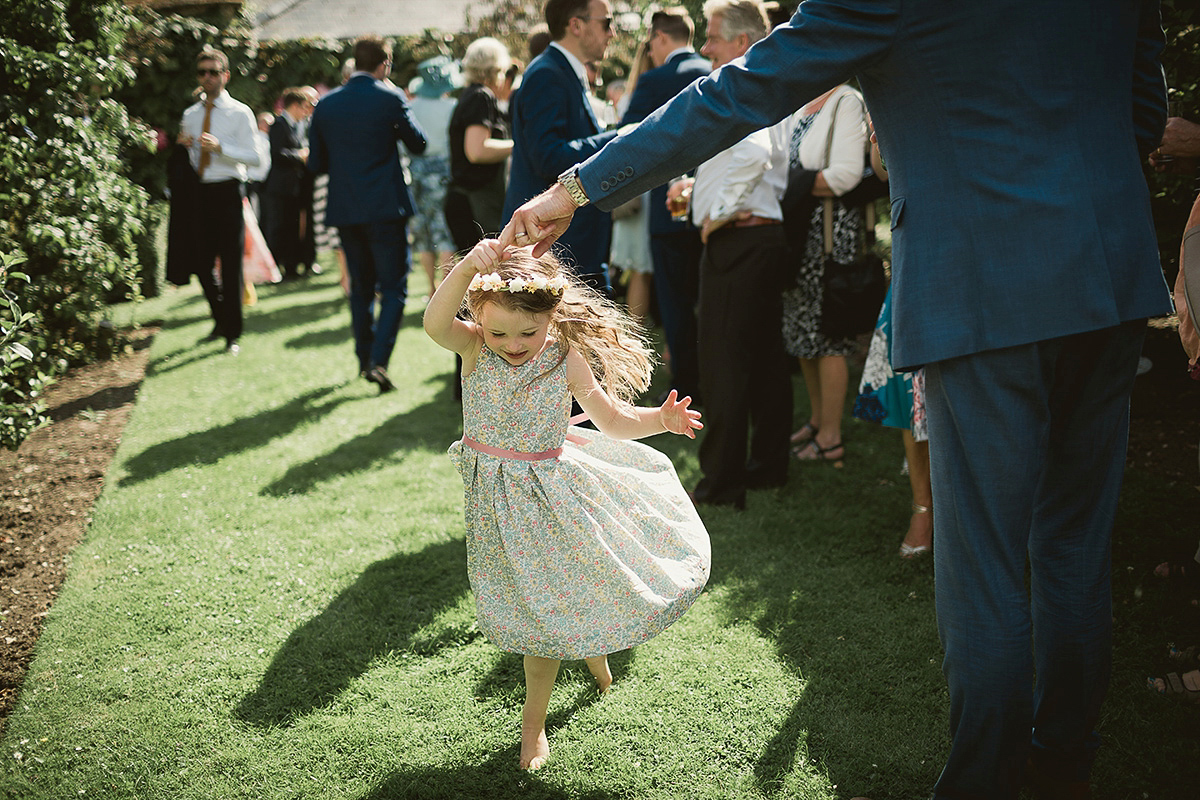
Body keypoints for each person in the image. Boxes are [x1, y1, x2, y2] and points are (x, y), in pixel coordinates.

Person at [501, 1, 1170, 797]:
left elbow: (736, 94)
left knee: (987, 565)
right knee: (1072, 550)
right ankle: (1065, 768)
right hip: (1107, 271)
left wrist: (575, 187)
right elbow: (1143, 113)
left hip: (982, 280)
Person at [423, 237, 710, 771]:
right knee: (557, 595)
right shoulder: (474, 349)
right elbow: (435, 323)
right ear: (479, 320)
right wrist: (465, 268)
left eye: (528, 331)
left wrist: (660, 421)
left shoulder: (563, 358)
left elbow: (614, 421)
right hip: (498, 505)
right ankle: (596, 662)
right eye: (499, 331)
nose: (513, 343)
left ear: (552, 318)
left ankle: (532, 729)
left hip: (552, 498)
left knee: (544, 611)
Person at [666, 0, 792, 510]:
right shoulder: (767, 83)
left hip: (739, 242)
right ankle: (766, 468)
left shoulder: (743, 85)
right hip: (758, 239)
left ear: (741, 42)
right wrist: (698, 192)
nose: (705, 46)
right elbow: (748, 158)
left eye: (713, 36)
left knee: (722, 362)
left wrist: (715, 211)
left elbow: (755, 154)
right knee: (763, 361)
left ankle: (720, 484)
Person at [307, 35, 427, 393]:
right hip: (386, 208)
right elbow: (418, 144)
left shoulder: (326, 105)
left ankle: (364, 359)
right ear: (384, 65)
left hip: (346, 209)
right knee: (393, 288)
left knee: (360, 288)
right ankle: (378, 360)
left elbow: (316, 164)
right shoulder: (389, 97)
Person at [618, 6, 711, 404]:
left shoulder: (656, 79)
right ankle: (717, 379)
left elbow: (629, 137)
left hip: (667, 209)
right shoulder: (716, 69)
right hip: (715, 205)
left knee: (675, 303)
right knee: (710, 299)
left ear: (660, 38)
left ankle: (689, 387)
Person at [502, 0, 620, 294]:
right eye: (606, 22)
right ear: (576, 25)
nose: (613, 33)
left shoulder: (560, 70)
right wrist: (619, 138)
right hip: (555, 246)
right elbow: (549, 156)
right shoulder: (548, 74)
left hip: (569, 243)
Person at [782, 83, 868, 465]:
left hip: (830, 236)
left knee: (829, 334)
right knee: (802, 330)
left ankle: (832, 435)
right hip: (799, 233)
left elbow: (845, 176)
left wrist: (787, 184)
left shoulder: (846, 101)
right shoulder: (800, 103)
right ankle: (817, 421)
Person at [176, 48, 262, 356]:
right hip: (199, 193)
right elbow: (188, 159)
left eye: (213, 72)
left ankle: (232, 333)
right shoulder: (190, 115)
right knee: (200, 263)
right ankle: (221, 318)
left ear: (225, 75)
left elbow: (256, 158)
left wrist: (222, 147)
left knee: (230, 263)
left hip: (228, 190)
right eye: (202, 72)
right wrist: (185, 146)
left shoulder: (240, 113)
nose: (208, 78)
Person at [445, 37, 515, 252]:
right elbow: (477, 151)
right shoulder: (481, 97)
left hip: (467, 200)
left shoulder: (469, 95)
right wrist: (517, 146)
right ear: (495, 69)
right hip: (474, 204)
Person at [406, 56, 461, 299]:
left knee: (424, 234)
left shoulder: (410, 107)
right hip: (444, 175)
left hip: (417, 174)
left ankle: (430, 287)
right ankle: (445, 291)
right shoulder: (452, 108)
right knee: (445, 231)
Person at [264, 87, 316, 280]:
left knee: (292, 228)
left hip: (293, 188)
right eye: (304, 107)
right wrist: (300, 156)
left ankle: (292, 268)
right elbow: (278, 154)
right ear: (294, 106)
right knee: (279, 228)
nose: (306, 111)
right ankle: (276, 269)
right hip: (279, 188)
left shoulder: (295, 126)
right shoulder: (279, 124)